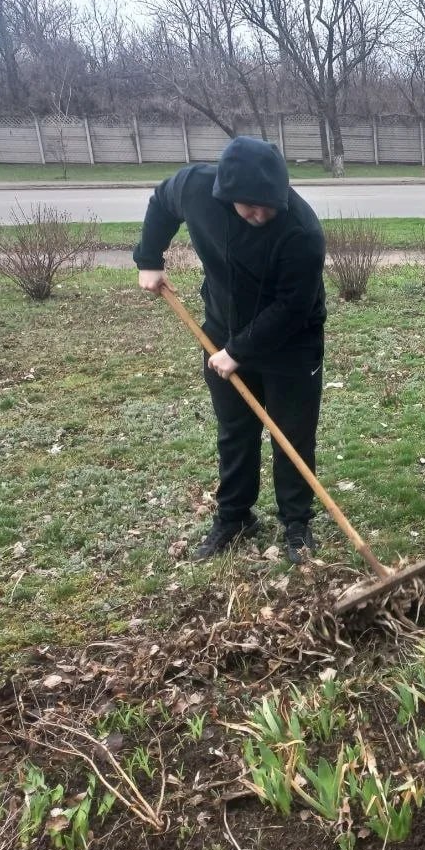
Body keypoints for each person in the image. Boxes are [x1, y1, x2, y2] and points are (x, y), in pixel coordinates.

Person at [134, 136, 327, 562]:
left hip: (292, 342)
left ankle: (296, 523)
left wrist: (237, 350)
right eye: (251, 206)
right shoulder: (196, 188)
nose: (262, 214)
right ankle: (235, 516)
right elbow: (162, 202)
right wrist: (149, 259)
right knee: (235, 431)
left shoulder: (302, 232)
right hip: (223, 329)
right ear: (227, 193)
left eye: (270, 205)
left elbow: (292, 307)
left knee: (291, 434)